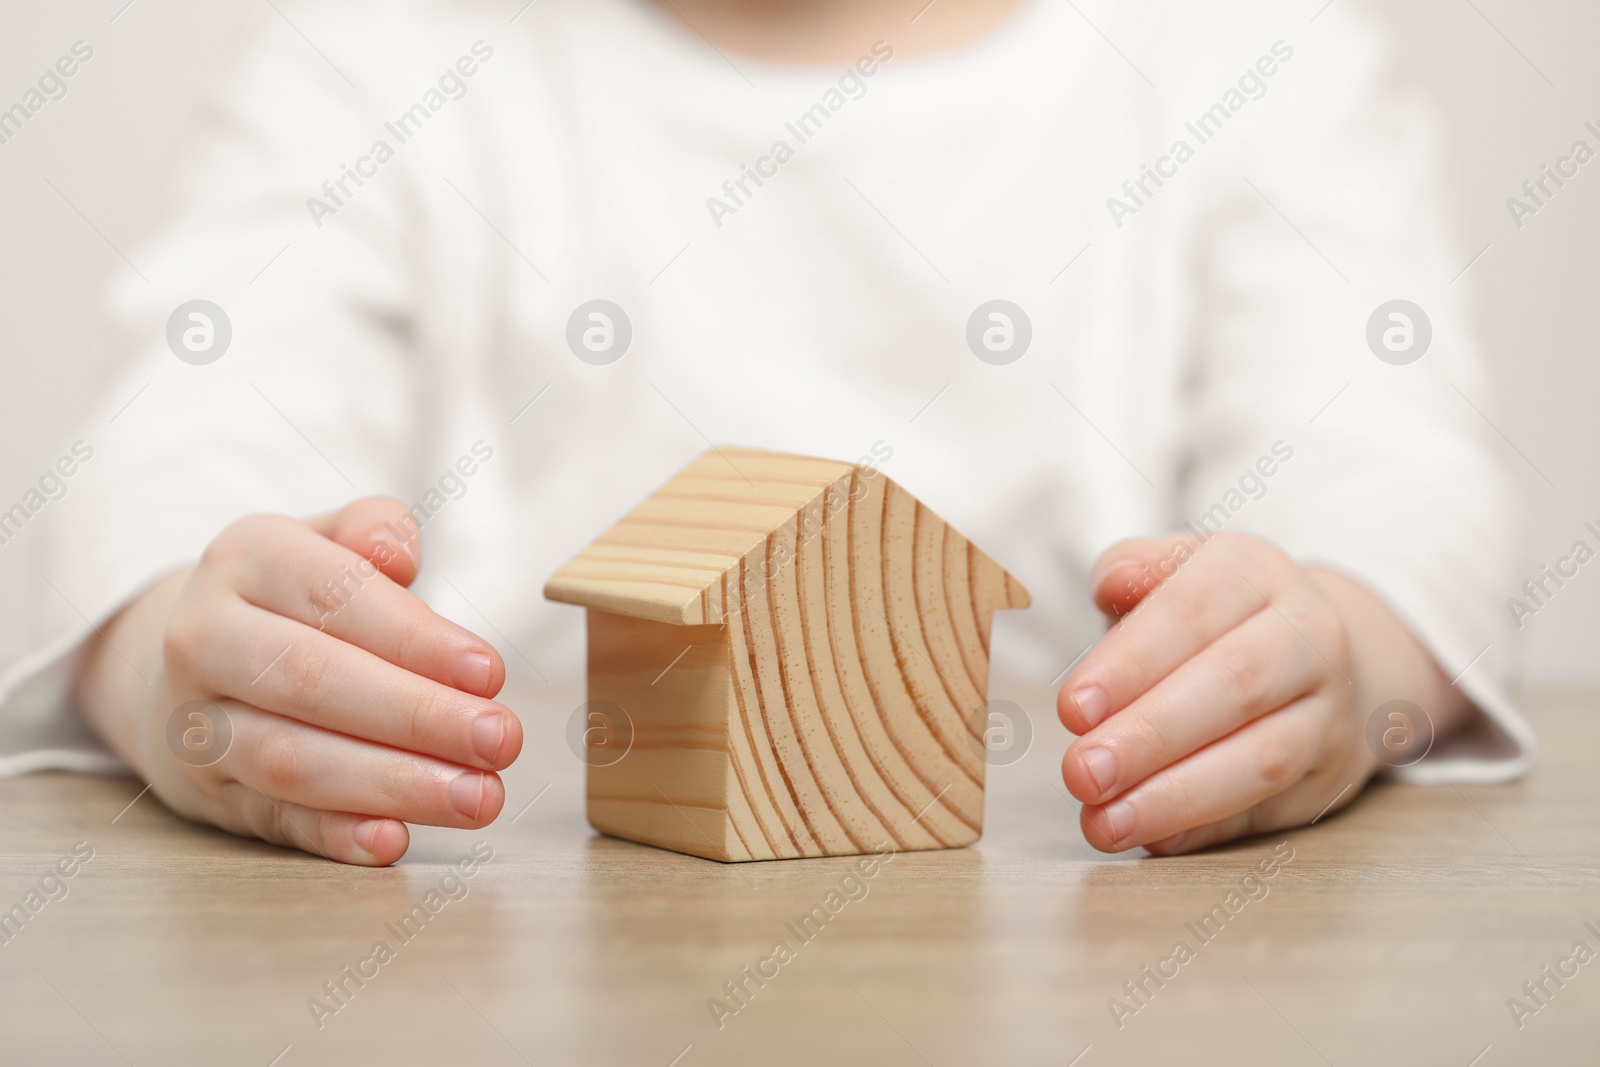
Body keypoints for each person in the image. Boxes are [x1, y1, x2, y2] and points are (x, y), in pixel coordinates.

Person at [2, 0, 1532, 865]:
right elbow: (174, 448)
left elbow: (1391, 468)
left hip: (1067, 933)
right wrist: (173, 667)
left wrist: (1348, 648)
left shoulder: (1253, 54)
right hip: (527, 944)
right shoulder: (380, 55)